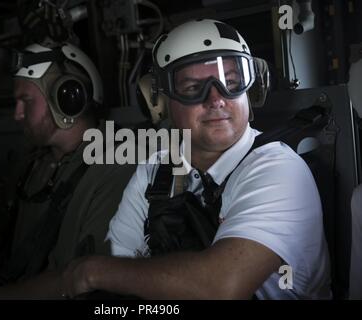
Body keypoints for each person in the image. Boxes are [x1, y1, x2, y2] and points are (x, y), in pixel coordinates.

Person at [56, 19, 332, 299]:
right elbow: (118, 265)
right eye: (192, 87)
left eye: (231, 82)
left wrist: (93, 271)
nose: (216, 98)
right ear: (160, 102)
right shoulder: (156, 171)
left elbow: (222, 287)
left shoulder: (278, 169)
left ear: (252, 88)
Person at [0, 42, 135, 298]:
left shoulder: (116, 168)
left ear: (67, 98)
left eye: (25, 100)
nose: (17, 114)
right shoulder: (33, 166)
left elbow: (85, 283)